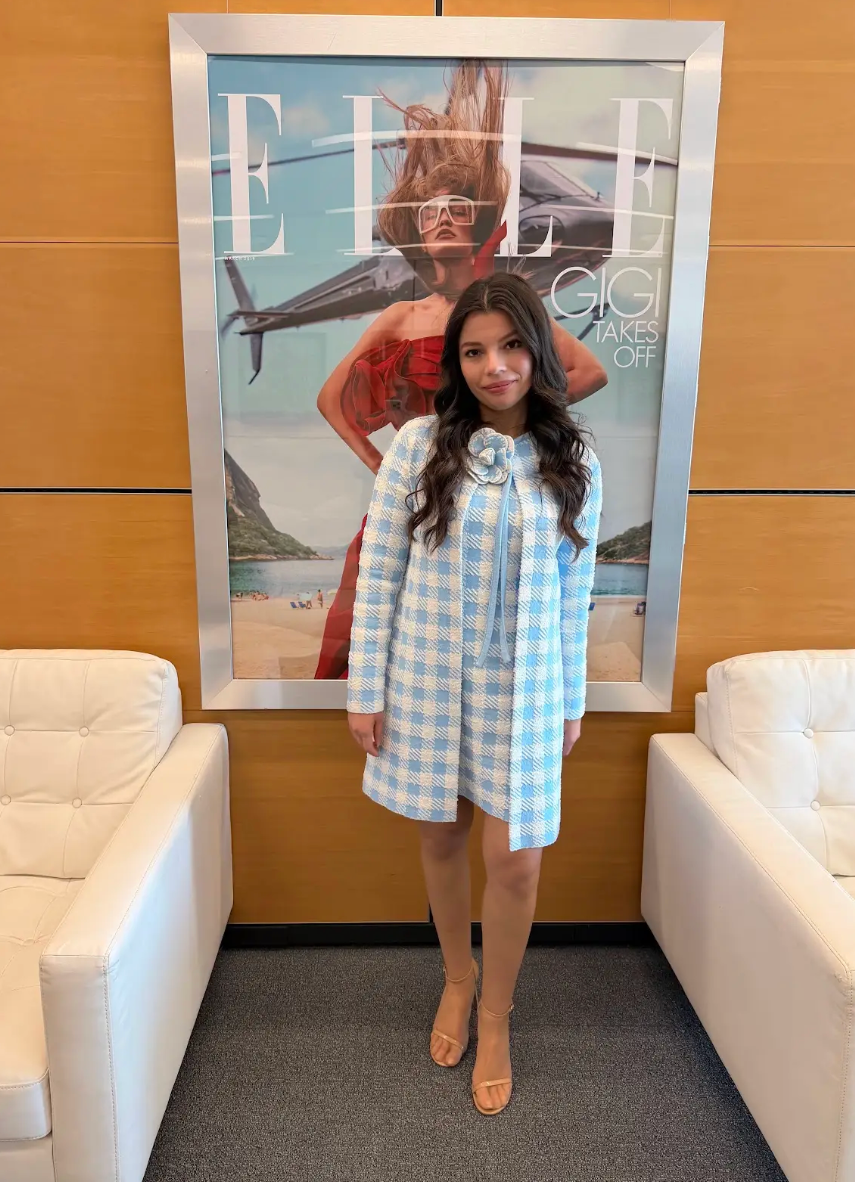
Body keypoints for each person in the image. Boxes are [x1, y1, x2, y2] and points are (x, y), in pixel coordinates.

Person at [346, 272, 602, 1117]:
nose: (496, 366)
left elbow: (576, 592)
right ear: (457, 362)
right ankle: (457, 978)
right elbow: (381, 570)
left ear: (538, 350)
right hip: (427, 670)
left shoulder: (573, 458)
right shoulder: (420, 446)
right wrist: (365, 689)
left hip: (526, 682)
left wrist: (571, 701)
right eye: (475, 350)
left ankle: (497, 1015)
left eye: (512, 345)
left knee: (516, 859)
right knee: (444, 833)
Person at [315, 62, 607, 680]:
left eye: (456, 209)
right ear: (417, 235)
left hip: (501, 498)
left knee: (496, 645)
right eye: (430, 213)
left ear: (475, 222)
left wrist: (514, 423)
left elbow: (586, 370)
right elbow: (331, 399)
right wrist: (384, 465)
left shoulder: (505, 308)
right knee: (371, 629)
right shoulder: (401, 315)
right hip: (420, 490)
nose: (444, 218)